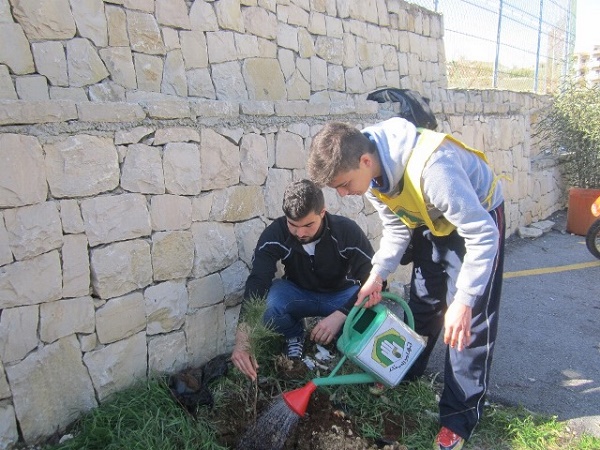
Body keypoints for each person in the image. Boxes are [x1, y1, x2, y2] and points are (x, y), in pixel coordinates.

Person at [307, 117, 505, 450]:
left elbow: (483, 234)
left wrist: (465, 300)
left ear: (365, 161)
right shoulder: (372, 177)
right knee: (424, 302)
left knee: (465, 326)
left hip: (476, 218)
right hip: (431, 216)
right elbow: (398, 228)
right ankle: (405, 370)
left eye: (343, 184)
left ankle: (458, 417)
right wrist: (377, 274)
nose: (343, 194)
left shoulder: (434, 170)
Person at [231, 179, 375, 382]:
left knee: (367, 317)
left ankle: (342, 340)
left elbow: (375, 281)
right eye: (293, 225)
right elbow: (258, 281)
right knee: (267, 304)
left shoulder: (347, 232)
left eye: (308, 225)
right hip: (298, 294)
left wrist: (341, 315)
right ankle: (294, 334)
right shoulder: (275, 233)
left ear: (322, 213)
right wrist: (243, 340)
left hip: (340, 297)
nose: (300, 233)